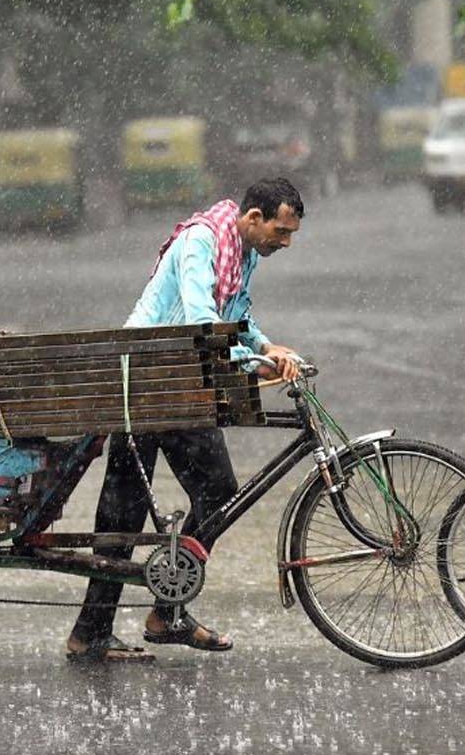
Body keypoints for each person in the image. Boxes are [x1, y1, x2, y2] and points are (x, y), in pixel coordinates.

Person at [65, 177, 304, 663]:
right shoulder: (202, 241)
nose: (285, 242)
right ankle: (157, 614)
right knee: (194, 495)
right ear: (253, 218)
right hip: (152, 373)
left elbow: (234, 312)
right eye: (281, 231)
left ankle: (117, 625)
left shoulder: (245, 252)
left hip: (176, 377)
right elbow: (201, 320)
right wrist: (251, 361)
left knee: (135, 505)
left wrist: (263, 345)